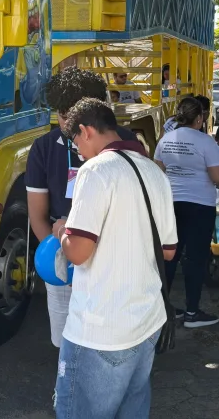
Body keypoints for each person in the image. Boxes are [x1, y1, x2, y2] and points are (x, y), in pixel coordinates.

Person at [56, 98, 177, 419]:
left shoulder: (95, 170)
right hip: (147, 320)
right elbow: (168, 251)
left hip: (101, 329)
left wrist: (63, 231)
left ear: (86, 130)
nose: (78, 151)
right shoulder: (153, 171)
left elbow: (79, 252)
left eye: (75, 142)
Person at [25, 67, 145, 349]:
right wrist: (62, 258)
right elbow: (38, 214)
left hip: (116, 260)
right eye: (61, 115)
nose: (64, 123)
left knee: (113, 342)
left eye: (71, 116)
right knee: (67, 341)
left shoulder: (126, 141)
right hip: (64, 257)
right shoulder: (43, 148)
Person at [154, 97, 219, 327]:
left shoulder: (165, 139)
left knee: (169, 256)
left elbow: (157, 172)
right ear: (199, 118)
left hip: (171, 204)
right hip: (200, 205)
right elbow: (218, 177)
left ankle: (163, 309)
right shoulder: (206, 142)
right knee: (195, 259)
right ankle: (192, 313)